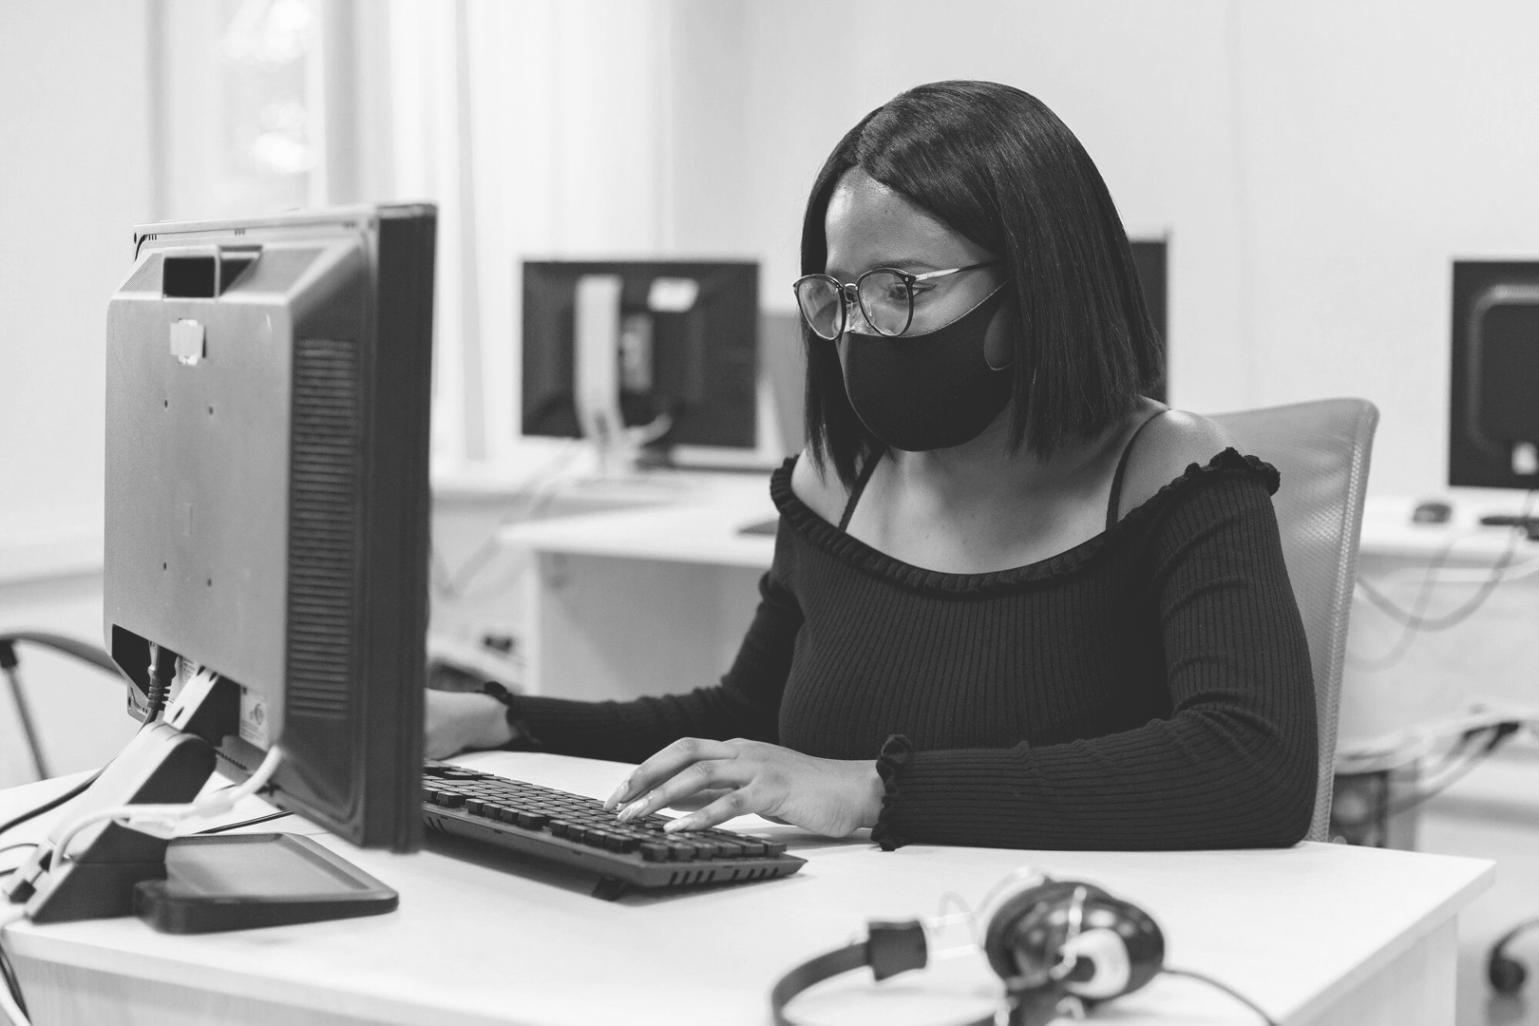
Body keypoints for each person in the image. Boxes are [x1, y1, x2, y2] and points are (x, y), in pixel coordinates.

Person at [426, 79, 1317, 852]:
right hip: (844, 938)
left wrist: (873, 791)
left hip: (1068, 946)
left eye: (901, 289)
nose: (861, 329)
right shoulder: (834, 485)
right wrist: (503, 720)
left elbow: (1250, 763)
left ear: (1035, 285)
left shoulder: (1174, 475)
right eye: (839, 294)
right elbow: (745, 723)